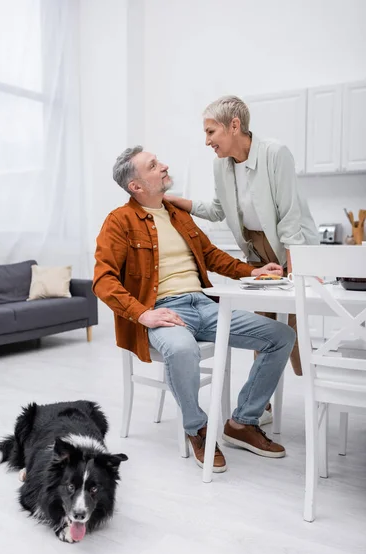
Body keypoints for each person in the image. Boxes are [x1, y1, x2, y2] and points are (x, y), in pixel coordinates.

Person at [93, 146, 295, 473]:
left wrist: (251, 271)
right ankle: (197, 428)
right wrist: (143, 314)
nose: (164, 165)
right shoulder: (120, 221)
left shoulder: (177, 214)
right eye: (153, 165)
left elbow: (212, 255)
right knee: (183, 349)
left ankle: (242, 422)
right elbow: (103, 279)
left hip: (204, 304)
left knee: (281, 336)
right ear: (136, 186)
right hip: (162, 311)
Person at [166, 95, 319, 412]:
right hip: (257, 251)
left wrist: (295, 270)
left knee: (296, 321)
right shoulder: (221, 166)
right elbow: (218, 209)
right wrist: (176, 201)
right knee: (266, 326)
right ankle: (261, 406)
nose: (207, 140)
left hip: (291, 247)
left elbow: (290, 216)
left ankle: (314, 386)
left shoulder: (275, 154)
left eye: (211, 132)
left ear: (234, 126)